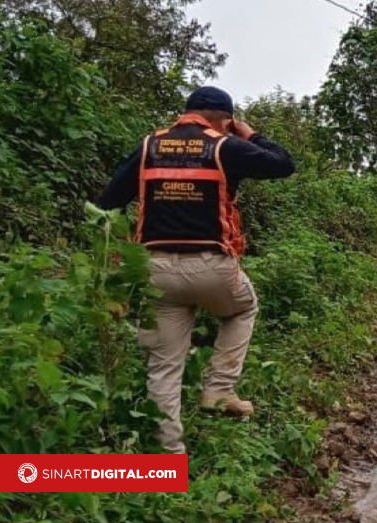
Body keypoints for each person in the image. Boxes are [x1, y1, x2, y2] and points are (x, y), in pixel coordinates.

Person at [98, 86, 295, 454]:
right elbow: (283, 164)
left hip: (155, 271)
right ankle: (219, 389)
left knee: (164, 369)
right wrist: (248, 133)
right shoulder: (225, 146)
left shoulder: (149, 146)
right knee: (243, 308)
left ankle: (168, 462)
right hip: (211, 267)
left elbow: (109, 201)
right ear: (225, 121)